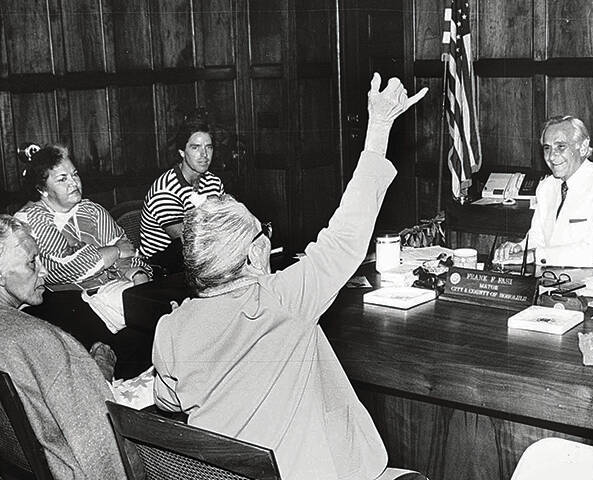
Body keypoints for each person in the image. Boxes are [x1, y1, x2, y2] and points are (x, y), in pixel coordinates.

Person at [152, 74, 427, 480]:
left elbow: (168, 400)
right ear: (251, 254)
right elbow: (346, 234)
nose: (266, 240)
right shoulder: (282, 298)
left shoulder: (172, 328)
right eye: (260, 233)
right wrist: (380, 126)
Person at [0, 215, 127, 479]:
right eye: (31, 262)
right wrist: (98, 371)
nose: (43, 271)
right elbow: (100, 442)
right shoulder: (40, 340)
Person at [15, 144, 153, 379]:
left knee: (153, 316)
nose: (74, 183)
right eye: (62, 179)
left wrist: (137, 274)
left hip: (110, 295)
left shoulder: (91, 210)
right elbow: (66, 267)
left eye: (75, 174)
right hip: (65, 303)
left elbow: (129, 250)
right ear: (43, 189)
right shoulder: (31, 218)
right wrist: (113, 252)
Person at [493, 116, 593, 268]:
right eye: (547, 148)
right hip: (552, 279)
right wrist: (520, 248)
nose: (551, 156)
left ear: (583, 147)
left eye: (561, 146)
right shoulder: (547, 187)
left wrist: (534, 255)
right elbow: (539, 239)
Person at [139, 111, 225, 272]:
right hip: (162, 269)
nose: (204, 155)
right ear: (182, 152)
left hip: (201, 260)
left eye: (209, 147)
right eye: (195, 148)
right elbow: (188, 242)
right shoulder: (165, 191)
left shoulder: (214, 182)